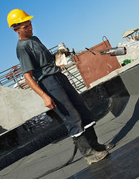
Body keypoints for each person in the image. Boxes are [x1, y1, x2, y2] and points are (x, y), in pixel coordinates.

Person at [7, 9, 113, 164]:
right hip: (49, 83)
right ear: (15, 29)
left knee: (83, 111)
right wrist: (44, 96)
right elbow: (28, 76)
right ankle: (88, 154)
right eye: (25, 26)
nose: (30, 27)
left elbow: (50, 62)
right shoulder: (22, 47)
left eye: (29, 24)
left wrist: (61, 54)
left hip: (59, 77)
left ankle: (96, 146)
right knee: (72, 117)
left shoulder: (35, 39)